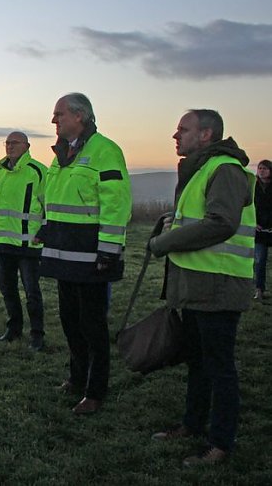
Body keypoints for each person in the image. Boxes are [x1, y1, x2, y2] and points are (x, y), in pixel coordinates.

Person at [148, 109, 254, 467]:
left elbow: (220, 223)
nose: (175, 135)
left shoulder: (224, 169)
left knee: (219, 367)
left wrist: (167, 241)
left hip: (219, 285)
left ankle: (220, 444)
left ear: (206, 135)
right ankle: (192, 425)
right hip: (197, 284)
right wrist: (170, 221)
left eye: (183, 129)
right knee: (198, 362)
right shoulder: (201, 169)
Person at [36, 93, 131, 415]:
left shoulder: (106, 151)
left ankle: (95, 391)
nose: (54, 120)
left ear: (80, 116)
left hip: (91, 255)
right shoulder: (61, 154)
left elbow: (116, 205)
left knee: (92, 325)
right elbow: (56, 198)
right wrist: (46, 228)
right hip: (63, 253)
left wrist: (108, 251)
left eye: (59, 114)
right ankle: (76, 379)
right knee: (69, 321)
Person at [0, 131, 47, 351]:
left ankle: (37, 335)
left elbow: (50, 205)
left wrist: (46, 231)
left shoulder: (38, 171)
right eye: (7, 143)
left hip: (29, 243)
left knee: (32, 292)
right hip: (2, 242)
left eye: (14, 143)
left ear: (27, 146)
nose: (9, 146)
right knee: (8, 289)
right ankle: (13, 330)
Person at [253, 159, 271, 300]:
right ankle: (259, 289)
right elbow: (247, 206)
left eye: (264, 168)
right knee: (259, 260)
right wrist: (253, 222)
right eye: (260, 168)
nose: (261, 171)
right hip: (259, 229)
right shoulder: (253, 186)